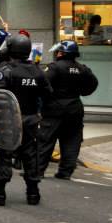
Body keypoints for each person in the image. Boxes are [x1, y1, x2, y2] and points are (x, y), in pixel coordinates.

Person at [0, 34, 52, 207]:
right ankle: (33, 193)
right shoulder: (38, 71)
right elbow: (48, 94)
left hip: (9, 119)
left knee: (4, 154)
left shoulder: (6, 71)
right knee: (30, 155)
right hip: (30, 120)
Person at [39, 41, 98, 180]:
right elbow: (93, 83)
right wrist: (82, 92)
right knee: (72, 140)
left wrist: (46, 98)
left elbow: (43, 84)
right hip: (74, 108)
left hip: (54, 108)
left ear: (61, 53)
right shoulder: (83, 69)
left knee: (46, 139)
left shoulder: (54, 67)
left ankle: (37, 170)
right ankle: (65, 172)